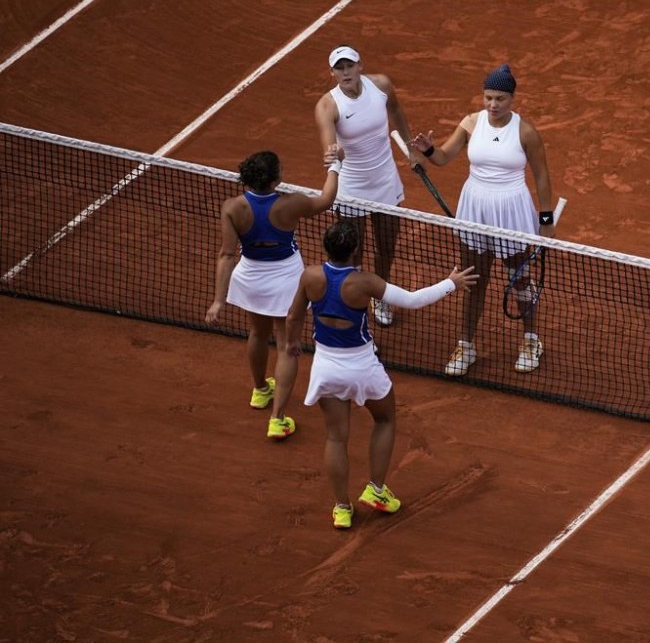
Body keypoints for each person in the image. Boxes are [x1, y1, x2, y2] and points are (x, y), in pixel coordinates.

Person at [285, 220, 477, 529]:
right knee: (385, 418)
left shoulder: (310, 276)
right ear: (356, 250)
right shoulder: (365, 282)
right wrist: (451, 283)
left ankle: (342, 508)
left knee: (336, 437)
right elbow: (412, 301)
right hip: (362, 367)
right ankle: (376, 490)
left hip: (326, 368)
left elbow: (294, 316)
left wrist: (293, 343)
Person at [410, 63, 556, 376]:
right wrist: (429, 149)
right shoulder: (472, 122)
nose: (492, 104)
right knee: (473, 279)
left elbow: (542, 176)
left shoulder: (526, 131)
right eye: (488, 97)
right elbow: (444, 156)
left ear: (512, 98)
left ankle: (531, 339)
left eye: (500, 99)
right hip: (474, 208)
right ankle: (466, 344)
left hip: (512, 210)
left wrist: (546, 219)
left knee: (520, 277)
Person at [205, 148, 343, 439]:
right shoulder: (291, 204)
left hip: (251, 277)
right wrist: (335, 165)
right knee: (286, 345)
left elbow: (227, 255)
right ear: (275, 179)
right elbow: (327, 199)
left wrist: (219, 300)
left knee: (256, 333)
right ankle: (277, 418)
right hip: (286, 280)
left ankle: (259, 390)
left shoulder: (232, 208)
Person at [315, 44, 420, 328]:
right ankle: (355, 298)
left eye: (350, 66)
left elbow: (396, 111)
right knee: (352, 251)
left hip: (385, 182)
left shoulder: (381, 86)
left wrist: (410, 147)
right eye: (339, 68)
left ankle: (380, 294)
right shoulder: (328, 105)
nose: (345, 72)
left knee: (387, 246)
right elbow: (329, 142)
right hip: (351, 189)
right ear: (333, 73)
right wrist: (333, 152)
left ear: (360, 66)